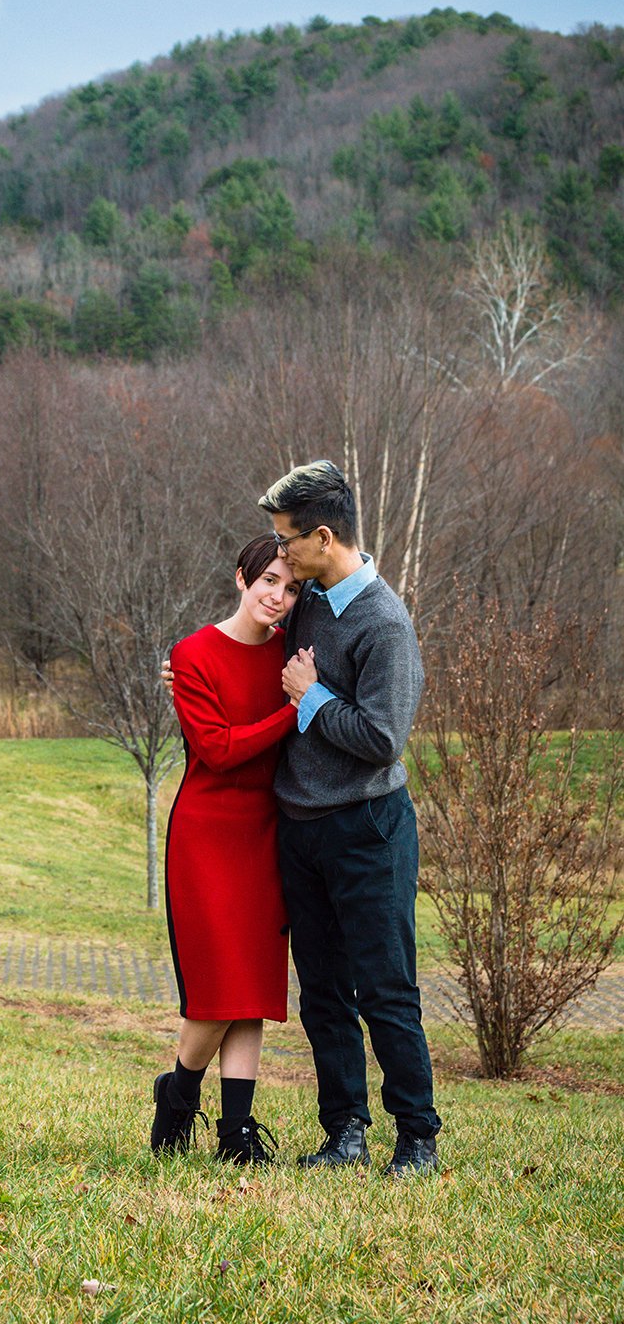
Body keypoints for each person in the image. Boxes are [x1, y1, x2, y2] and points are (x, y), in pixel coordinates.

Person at [261, 460, 441, 1176]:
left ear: (325, 537)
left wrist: (310, 697)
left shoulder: (385, 624)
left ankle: (417, 1140)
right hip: (302, 832)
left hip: (368, 830)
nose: (280, 555)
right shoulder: (308, 600)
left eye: (286, 543)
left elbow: (380, 739)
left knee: (385, 989)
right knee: (324, 993)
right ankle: (344, 1134)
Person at [151, 534, 309, 1166]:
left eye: (292, 587)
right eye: (268, 579)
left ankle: (236, 1132)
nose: (278, 595)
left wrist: (303, 693)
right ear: (242, 579)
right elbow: (217, 750)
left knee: (253, 987)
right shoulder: (192, 654)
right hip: (207, 835)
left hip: (266, 834)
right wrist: (296, 709)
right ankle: (179, 1092)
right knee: (218, 987)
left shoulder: (293, 660)